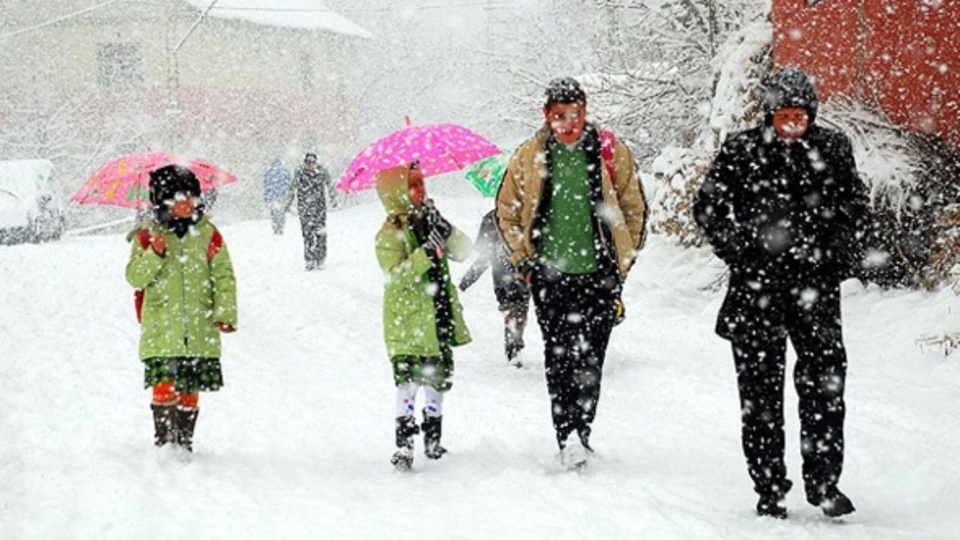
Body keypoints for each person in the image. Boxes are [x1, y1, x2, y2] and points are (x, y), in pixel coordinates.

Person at [693, 66, 869, 519]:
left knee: (825, 391)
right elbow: (709, 205)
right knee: (759, 398)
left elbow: (856, 205)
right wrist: (738, 250)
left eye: (800, 115)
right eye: (784, 115)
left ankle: (825, 484)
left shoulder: (832, 148)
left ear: (811, 114)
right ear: (769, 114)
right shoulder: (741, 149)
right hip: (756, 293)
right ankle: (769, 486)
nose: (793, 124)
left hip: (816, 291)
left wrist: (837, 250)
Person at [495, 77, 647, 469]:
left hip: (599, 274)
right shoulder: (530, 156)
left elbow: (634, 203)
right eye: (559, 115)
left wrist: (622, 259)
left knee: (592, 357)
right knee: (559, 357)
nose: (568, 123)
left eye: (575, 114)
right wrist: (524, 259)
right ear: (547, 116)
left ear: (586, 111)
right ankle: (567, 435)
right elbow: (506, 210)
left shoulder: (609, 151)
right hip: (549, 276)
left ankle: (584, 428)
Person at [126, 164, 238, 453]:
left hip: (199, 326)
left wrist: (224, 312)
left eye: (191, 197)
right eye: (179, 198)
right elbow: (135, 277)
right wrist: (155, 252)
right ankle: (165, 442)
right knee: (164, 385)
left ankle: (184, 442)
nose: (187, 204)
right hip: (162, 328)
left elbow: (223, 274)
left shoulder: (207, 234)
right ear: (163, 201)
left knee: (189, 387)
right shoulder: (146, 236)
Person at [374, 162, 473, 471]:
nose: (420, 190)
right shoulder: (389, 235)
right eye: (412, 185)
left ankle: (433, 438)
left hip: (438, 312)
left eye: (421, 183)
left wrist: (444, 228)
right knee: (408, 382)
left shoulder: (430, 222)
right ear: (397, 193)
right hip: (410, 320)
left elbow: (465, 250)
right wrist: (424, 255)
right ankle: (403, 443)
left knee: (437, 379)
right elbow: (395, 275)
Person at [459, 208, 531, 366]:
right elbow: (485, 256)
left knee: (514, 309)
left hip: (505, 277)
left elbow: (485, 256)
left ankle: (514, 344)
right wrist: (467, 280)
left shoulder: (492, 218)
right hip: (518, 275)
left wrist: (467, 280)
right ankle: (514, 346)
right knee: (517, 309)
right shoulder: (525, 214)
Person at [287, 152, 332, 270]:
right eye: (308, 163)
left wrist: (333, 197)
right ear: (305, 163)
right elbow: (292, 188)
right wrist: (288, 203)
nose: (310, 165)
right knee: (307, 235)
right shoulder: (300, 173)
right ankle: (309, 259)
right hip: (304, 208)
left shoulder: (322, 172)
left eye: (312, 163)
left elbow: (330, 184)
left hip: (319, 208)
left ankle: (320, 258)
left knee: (320, 233)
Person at [263, 157, 291, 235]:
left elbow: (266, 185)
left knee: (273, 213)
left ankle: (275, 227)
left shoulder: (269, 173)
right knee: (281, 213)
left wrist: (266, 196)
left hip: (272, 197)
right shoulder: (285, 172)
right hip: (282, 197)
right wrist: (288, 195)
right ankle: (280, 227)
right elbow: (288, 184)